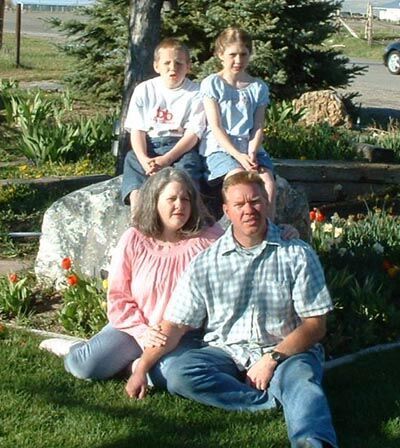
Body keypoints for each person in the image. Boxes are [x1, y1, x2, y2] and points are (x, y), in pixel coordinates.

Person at [126, 171, 337, 448]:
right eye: (239, 205)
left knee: (304, 385)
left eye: (255, 201)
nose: (249, 210)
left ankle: (313, 441)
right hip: (226, 353)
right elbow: (175, 324)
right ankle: (267, 401)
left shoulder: (296, 253)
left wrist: (272, 358)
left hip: (285, 351)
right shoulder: (206, 263)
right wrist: (141, 368)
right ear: (227, 211)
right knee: (178, 373)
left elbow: (315, 325)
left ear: (267, 203)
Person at [39, 168, 223, 381]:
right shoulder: (134, 239)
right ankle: (77, 349)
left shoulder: (208, 241)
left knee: (171, 374)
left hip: (182, 333)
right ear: (154, 201)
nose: (180, 205)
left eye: (186, 199)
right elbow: (118, 295)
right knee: (85, 368)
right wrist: (143, 332)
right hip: (135, 327)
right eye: (171, 198)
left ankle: (135, 367)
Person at [199, 27, 277, 219]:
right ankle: (237, 230)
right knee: (237, 181)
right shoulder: (213, 84)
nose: (238, 60)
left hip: (249, 146)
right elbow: (215, 127)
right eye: (232, 55)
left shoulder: (257, 87)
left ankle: (268, 229)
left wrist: (251, 151)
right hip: (221, 148)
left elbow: (258, 126)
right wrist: (238, 155)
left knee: (267, 184)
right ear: (220, 55)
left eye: (243, 54)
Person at [121, 37, 206, 211]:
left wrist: (167, 159)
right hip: (151, 144)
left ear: (188, 66)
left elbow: (193, 134)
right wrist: (145, 160)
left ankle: (187, 210)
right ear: (156, 66)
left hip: (180, 146)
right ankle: (137, 210)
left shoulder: (196, 93)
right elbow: (137, 130)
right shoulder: (144, 90)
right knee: (132, 159)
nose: (172, 68)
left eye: (179, 63)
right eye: (167, 63)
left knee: (189, 166)